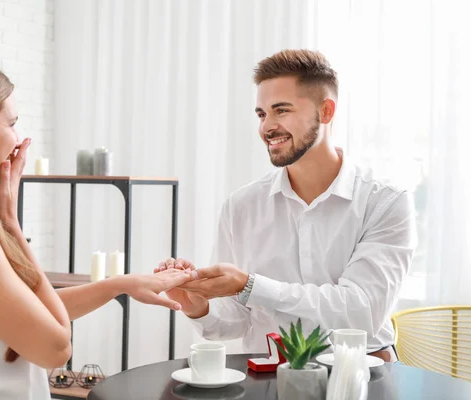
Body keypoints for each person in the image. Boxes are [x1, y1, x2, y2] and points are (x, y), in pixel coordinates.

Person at [0, 52, 193, 399]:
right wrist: (9, 225)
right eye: (11, 123)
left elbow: (24, 314)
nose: (19, 140)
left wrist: (120, 285)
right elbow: (54, 346)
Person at [156, 49, 417, 362]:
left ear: (326, 111)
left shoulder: (385, 201)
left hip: (361, 375)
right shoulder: (241, 206)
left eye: (281, 111)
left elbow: (360, 312)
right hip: (268, 377)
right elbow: (236, 318)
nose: (267, 127)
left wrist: (250, 285)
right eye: (262, 114)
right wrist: (198, 304)